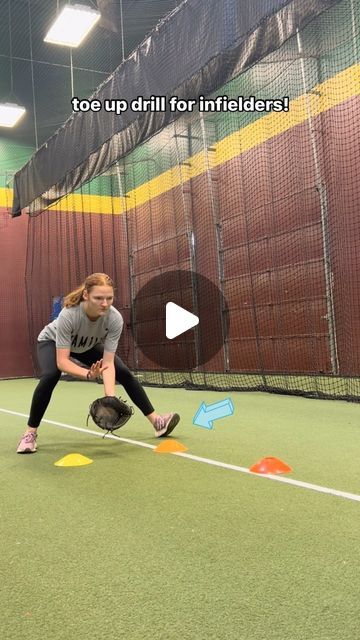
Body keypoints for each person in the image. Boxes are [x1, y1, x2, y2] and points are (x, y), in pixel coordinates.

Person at [17, 273, 180, 453]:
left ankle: (157, 422)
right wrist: (88, 374)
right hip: (52, 342)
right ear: (86, 295)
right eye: (99, 298)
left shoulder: (114, 319)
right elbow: (62, 361)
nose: (105, 303)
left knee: (123, 372)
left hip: (87, 345)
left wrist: (109, 398)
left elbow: (108, 363)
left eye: (109, 298)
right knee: (50, 375)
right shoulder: (69, 315)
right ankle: (30, 433)